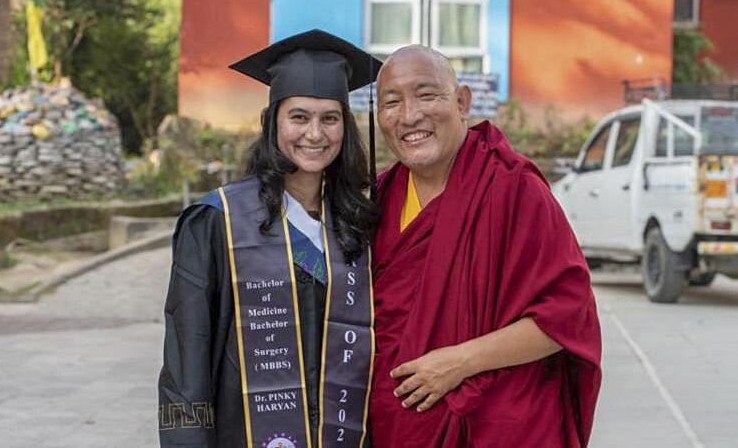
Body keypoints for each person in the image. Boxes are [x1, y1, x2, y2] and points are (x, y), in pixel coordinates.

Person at [369, 45, 602, 447]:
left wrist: (459, 362)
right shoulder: (378, 199)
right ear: (379, 117)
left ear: (461, 102)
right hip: (398, 426)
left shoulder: (513, 190)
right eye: (392, 102)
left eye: (427, 95)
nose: (409, 116)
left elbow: (567, 318)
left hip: (499, 424)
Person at [158, 29, 381, 448]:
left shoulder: (360, 222)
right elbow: (186, 360)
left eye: (329, 118)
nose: (315, 134)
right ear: (273, 121)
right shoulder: (217, 221)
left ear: (345, 128)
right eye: (299, 117)